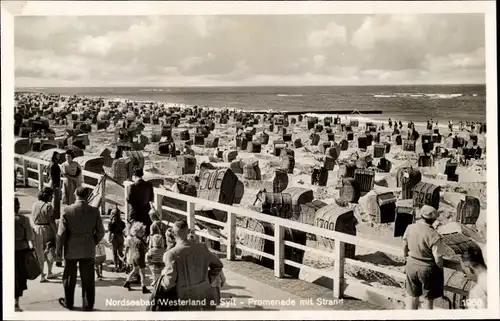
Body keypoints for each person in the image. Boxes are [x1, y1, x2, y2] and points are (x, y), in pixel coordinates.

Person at [57, 187, 105, 311]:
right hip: (88, 246)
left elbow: (61, 234)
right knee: (88, 277)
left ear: (75, 194)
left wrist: (59, 250)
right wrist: (93, 241)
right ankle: (88, 304)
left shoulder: (67, 210)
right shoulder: (94, 211)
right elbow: (101, 231)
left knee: (69, 276)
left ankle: (68, 302)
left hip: (71, 247)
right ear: (87, 196)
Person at [161, 220, 224, 311]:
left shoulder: (171, 254)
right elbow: (218, 265)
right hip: (205, 292)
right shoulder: (202, 247)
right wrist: (208, 278)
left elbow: (169, 282)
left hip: (186, 297)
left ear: (173, 234)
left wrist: (161, 284)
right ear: (188, 231)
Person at [402, 205, 445, 310]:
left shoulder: (410, 228)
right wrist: (440, 271)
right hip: (427, 269)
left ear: (421, 216)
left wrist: (406, 258)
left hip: (411, 265)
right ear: (433, 220)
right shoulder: (434, 235)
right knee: (428, 300)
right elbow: (438, 259)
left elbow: (404, 247)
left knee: (412, 297)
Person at [31, 187, 57, 282]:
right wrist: (57, 232)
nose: (53, 197)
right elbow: (51, 221)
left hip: (36, 229)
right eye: (52, 195)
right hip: (47, 229)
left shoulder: (34, 204)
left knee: (39, 252)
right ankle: (49, 272)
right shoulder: (48, 206)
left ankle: (41, 274)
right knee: (50, 250)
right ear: (48, 196)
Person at [15, 197, 34, 312]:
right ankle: (16, 303)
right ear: (18, 206)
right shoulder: (23, 219)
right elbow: (30, 237)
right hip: (21, 250)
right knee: (19, 276)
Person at [121, 221, 150, 293]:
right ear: (136, 232)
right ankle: (143, 287)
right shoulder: (140, 241)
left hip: (134, 257)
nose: (143, 233)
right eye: (141, 232)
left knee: (134, 270)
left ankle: (127, 281)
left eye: (143, 232)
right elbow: (144, 250)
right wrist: (147, 248)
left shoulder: (132, 238)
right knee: (142, 273)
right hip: (140, 258)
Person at [127, 168, 154, 237]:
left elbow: (129, 200)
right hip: (146, 213)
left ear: (134, 176)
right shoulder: (149, 185)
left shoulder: (132, 186)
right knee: (146, 233)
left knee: (134, 233)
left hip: (135, 213)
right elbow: (151, 198)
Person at [108, 208, 126, 272]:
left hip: (114, 238)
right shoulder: (122, 223)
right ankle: (122, 265)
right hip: (121, 238)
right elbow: (124, 230)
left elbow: (110, 231)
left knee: (114, 253)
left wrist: (109, 238)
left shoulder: (111, 223)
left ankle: (116, 267)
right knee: (120, 252)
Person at [48, 151, 62, 219]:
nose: (59, 156)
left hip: (54, 183)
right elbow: (53, 176)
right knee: (56, 200)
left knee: (55, 200)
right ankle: (56, 215)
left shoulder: (51, 163)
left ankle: (55, 214)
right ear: (55, 156)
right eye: (58, 155)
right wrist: (55, 186)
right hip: (55, 184)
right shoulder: (54, 165)